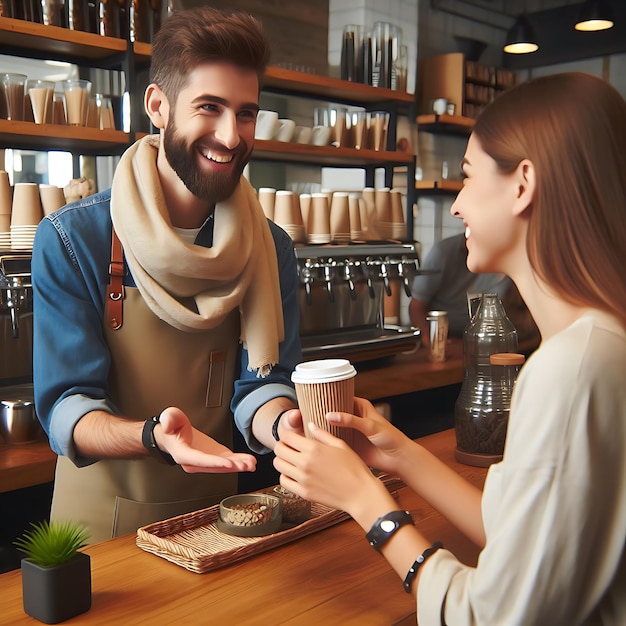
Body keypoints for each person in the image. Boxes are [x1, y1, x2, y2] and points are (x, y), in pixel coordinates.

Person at [274, 72, 626, 624]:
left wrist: (367, 501)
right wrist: (398, 456)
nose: (457, 205)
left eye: (467, 178)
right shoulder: (600, 345)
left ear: (522, 184)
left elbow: (494, 615)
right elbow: (527, 540)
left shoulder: (571, 370)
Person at [32, 7, 302, 543]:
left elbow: (262, 384)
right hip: (102, 530)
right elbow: (68, 410)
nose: (231, 135)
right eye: (210, 107)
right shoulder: (73, 238)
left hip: (221, 521)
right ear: (159, 106)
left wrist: (284, 427)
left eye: (246, 113)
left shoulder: (270, 248)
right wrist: (155, 436)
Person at [409, 233, 540, 352]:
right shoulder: (443, 252)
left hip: (482, 342)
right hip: (439, 339)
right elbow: (416, 307)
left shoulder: (510, 259)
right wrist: (432, 340)